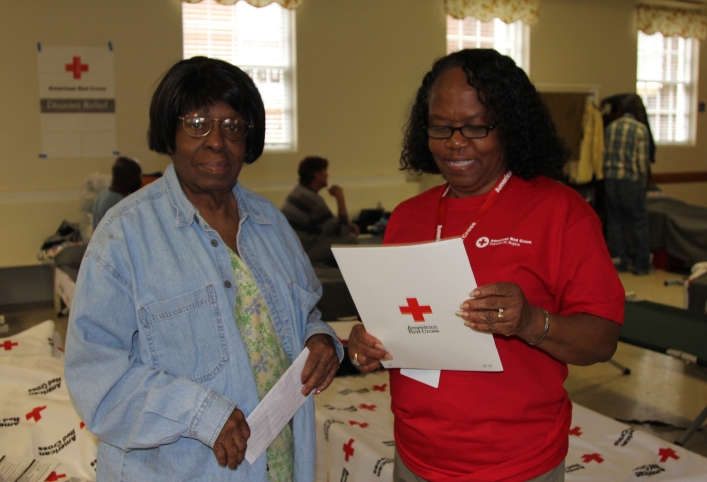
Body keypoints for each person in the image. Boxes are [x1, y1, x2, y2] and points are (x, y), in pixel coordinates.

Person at [348, 49, 625, 482]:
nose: (456, 142)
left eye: (476, 126)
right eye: (441, 126)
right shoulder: (407, 217)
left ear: (509, 125)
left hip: (516, 465)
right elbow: (397, 323)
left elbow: (602, 340)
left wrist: (532, 322)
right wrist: (368, 341)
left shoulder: (561, 212)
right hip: (416, 456)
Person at [65, 57, 342, 482]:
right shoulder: (124, 237)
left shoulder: (271, 224)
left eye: (233, 125)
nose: (216, 140)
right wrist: (200, 414)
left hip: (280, 463)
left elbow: (305, 315)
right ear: (169, 133)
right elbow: (96, 381)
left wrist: (319, 338)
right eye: (196, 123)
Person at [603, 94, 653, 275]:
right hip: (630, 182)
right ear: (638, 110)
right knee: (639, 223)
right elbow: (641, 163)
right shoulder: (640, 130)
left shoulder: (611, 127)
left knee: (615, 222)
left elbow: (605, 154)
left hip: (611, 180)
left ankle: (618, 261)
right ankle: (641, 264)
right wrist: (643, 184)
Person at [280, 156, 359, 266]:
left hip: (289, 249)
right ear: (317, 175)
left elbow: (327, 223)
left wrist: (347, 224)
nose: (327, 175)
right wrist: (340, 197)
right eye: (325, 171)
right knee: (351, 239)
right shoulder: (312, 200)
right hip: (302, 252)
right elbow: (342, 231)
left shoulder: (299, 191)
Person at [91, 156, 142, 229]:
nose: (140, 181)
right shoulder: (116, 202)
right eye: (137, 177)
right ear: (127, 177)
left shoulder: (102, 195)